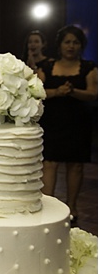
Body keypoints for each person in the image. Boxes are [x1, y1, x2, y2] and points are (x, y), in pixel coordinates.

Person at [36, 25, 97, 225]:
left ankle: (72, 208)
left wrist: (73, 92)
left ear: (81, 45)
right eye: (67, 42)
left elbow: (94, 93)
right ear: (60, 45)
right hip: (52, 121)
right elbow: (35, 90)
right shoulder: (46, 66)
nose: (71, 46)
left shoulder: (89, 67)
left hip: (78, 122)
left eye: (75, 42)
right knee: (50, 163)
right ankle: (48, 206)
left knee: (75, 165)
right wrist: (57, 92)